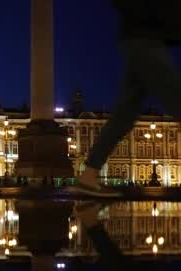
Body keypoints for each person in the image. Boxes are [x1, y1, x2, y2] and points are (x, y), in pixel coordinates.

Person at [75, 1, 181, 197]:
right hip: (146, 37)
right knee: (175, 97)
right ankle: (89, 176)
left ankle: (89, 176)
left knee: (124, 114)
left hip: (142, 37)